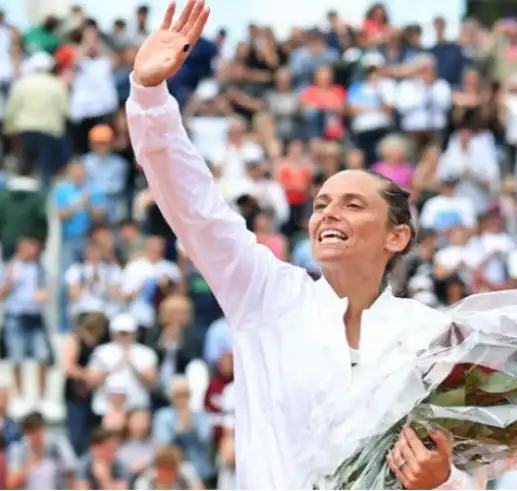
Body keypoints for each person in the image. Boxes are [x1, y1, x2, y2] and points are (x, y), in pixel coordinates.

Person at [127, 1, 477, 488]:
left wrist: (442, 480)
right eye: (321, 204)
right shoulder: (266, 294)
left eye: (353, 205)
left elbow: (467, 467)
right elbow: (194, 207)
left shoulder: (432, 335)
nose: (328, 214)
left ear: (397, 236)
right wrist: (149, 97)